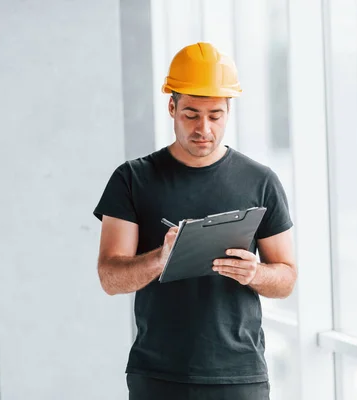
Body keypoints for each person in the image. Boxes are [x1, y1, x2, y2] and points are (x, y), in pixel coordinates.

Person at [93, 42, 297, 400]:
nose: (203, 127)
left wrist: (256, 273)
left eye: (215, 115)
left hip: (240, 376)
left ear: (228, 111)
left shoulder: (261, 181)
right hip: (158, 375)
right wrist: (160, 258)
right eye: (190, 114)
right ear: (172, 106)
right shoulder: (132, 179)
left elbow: (286, 278)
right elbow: (110, 278)